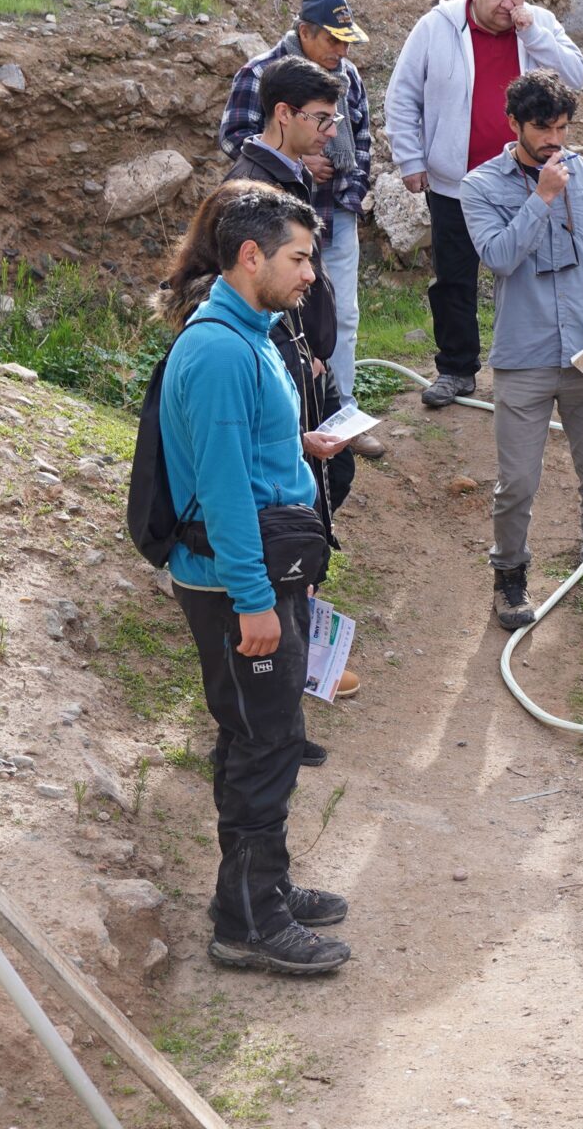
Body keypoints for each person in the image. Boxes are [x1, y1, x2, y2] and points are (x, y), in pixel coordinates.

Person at [154, 181, 355, 976]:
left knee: (262, 736)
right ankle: (246, 917)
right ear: (251, 256)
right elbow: (225, 490)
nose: (311, 273)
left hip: (266, 573)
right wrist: (253, 603)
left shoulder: (253, 334)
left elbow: (243, 457)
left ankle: (261, 884)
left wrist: (297, 447)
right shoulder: (216, 350)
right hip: (240, 582)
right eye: (300, 258)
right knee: (264, 741)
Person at [459, 70, 583, 638]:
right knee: (517, 481)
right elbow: (498, 256)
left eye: (562, 128)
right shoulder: (480, 186)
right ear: (513, 123)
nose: (554, 140)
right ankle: (510, 575)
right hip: (523, 358)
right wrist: (542, 197)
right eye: (542, 128)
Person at [385, 0, 583, 410]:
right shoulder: (436, 27)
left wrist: (532, 31)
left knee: (536, 271)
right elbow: (402, 96)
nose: (507, 5)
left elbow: (576, 75)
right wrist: (410, 160)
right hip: (455, 181)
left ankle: (540, 366)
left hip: (526, 178)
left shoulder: (536, 23)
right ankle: (456, 369)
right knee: (454, 277)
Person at [224, 59, 366, 700]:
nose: (330, 132)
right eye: (319, 118)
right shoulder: (251, 188)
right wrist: (288, 354)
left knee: (328, 479)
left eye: (333, 118)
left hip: (305, 359)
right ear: (282, 114)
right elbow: (237, 286)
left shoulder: (291, 177)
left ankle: (300, 648)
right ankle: (285, 664)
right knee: (291, 507)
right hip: (285, 364)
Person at [217, 0, 382, 456]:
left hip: (333, 212)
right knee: (279, 312)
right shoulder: (261, 73)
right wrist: (297, 163)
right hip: (277, 213)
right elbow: (236, 136)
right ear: (304, 31)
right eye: (333, 40)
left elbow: (364, 137)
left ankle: (339, 412)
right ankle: (292, 420)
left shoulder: (346, 77)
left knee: (337, 312)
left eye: (347, 41)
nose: (341, 51)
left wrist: (350, 192)